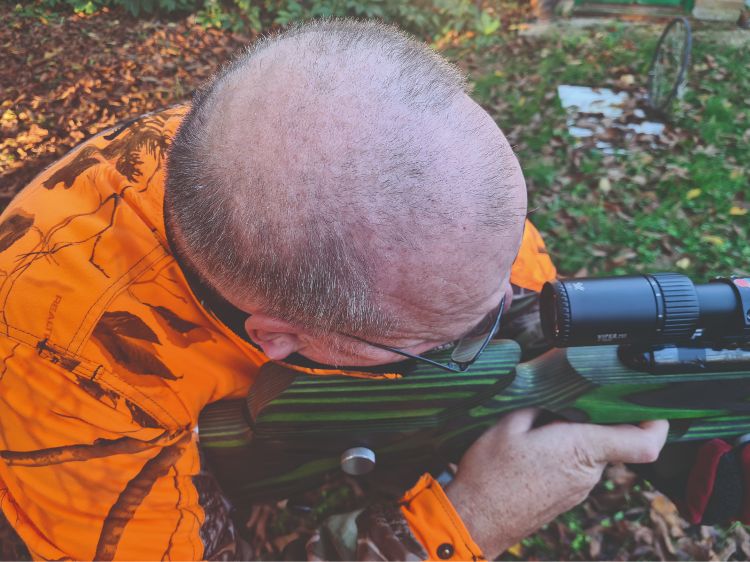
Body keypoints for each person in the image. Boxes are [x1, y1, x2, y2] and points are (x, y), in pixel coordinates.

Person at [0, 20, 668, 560]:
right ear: (280, 338)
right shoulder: (55, 362)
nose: (518, 294)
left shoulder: (432, 212)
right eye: (445, 343)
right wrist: (467, 525)